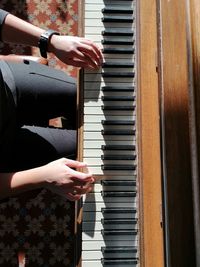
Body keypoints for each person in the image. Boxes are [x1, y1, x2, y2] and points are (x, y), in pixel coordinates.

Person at [0, 9, 103, 201]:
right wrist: (44, 177)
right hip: (5, 152)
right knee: (93, 153)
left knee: (92, 96)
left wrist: (51, 41)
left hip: (8, 84)